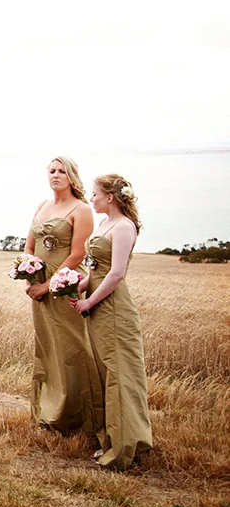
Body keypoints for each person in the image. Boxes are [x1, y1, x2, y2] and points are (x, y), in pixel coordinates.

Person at [70, 175, 153, 469]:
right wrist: (80, 286)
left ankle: (125, 446)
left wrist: (90, 302)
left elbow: (116, 274)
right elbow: (96, 267)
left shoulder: (124, 227)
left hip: (114, 310)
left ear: (110, 197)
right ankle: (112, 437)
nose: (90, 199)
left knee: (121, 375)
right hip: (97, 308)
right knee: (106, 373)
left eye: (94, 194)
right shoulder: (105, 224)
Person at [24, 157, 104, 436]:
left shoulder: (81, 209)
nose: (56, 175)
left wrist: (48, 286)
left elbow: (78, 254)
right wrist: (30, 276)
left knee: (70, 347)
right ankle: (49, 413)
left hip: (66, 284)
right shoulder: (42, 206)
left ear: (72, 177)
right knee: (47, 346)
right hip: (40, 286)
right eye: (52, 171)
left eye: (62, 171)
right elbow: (30, 245)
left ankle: (78, 419)